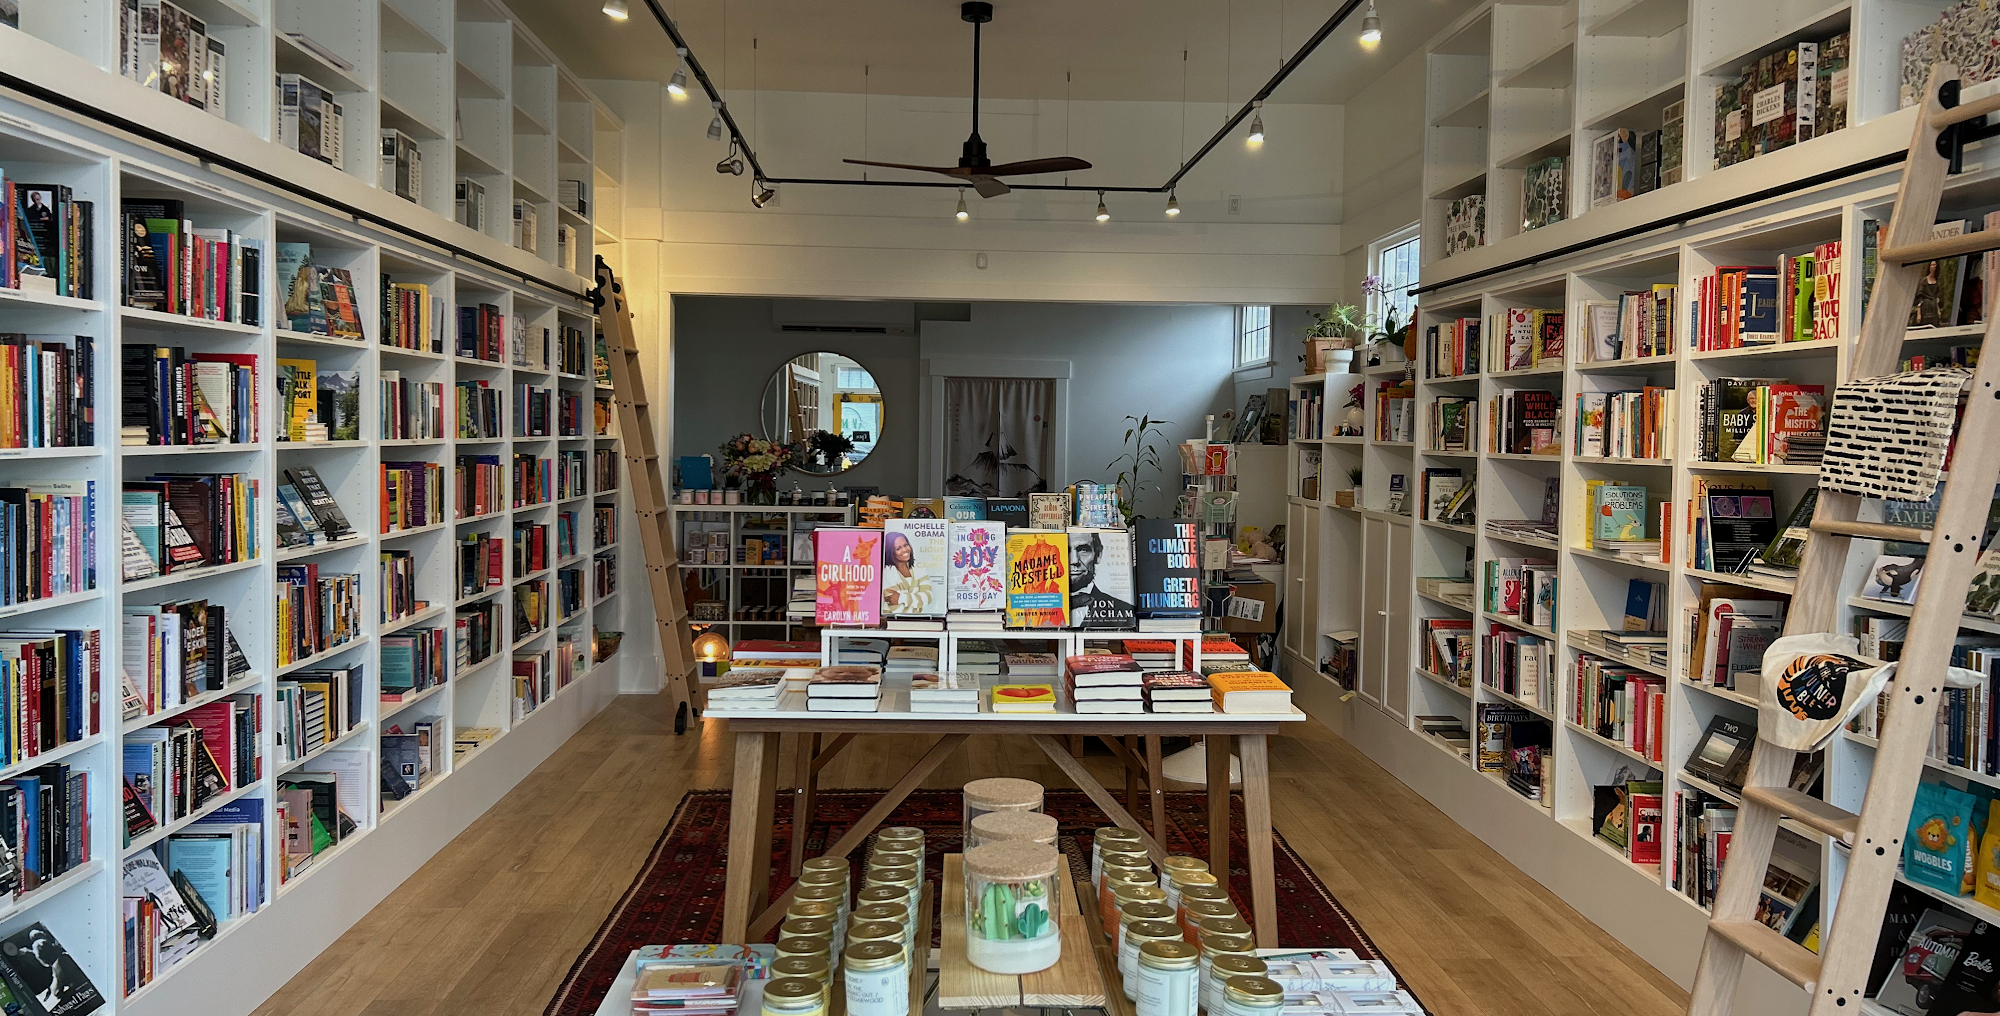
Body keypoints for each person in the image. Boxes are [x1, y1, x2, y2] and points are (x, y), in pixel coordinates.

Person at [1069, 531, 1133, 626]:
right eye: (1065, 550)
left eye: (1083, 550)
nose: (1074, 560)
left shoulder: (1126, 613)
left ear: (1098, 554)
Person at [881, 531, 932, 614]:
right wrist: (917, 605)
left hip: (919, 620)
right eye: (898, 548)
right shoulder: (887, 572)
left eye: (905, 545)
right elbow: (895, 607)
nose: (905, 550)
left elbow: (928, 596)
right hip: (893, 620)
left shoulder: (919, 567)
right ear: (890, 552)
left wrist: (901, 598)